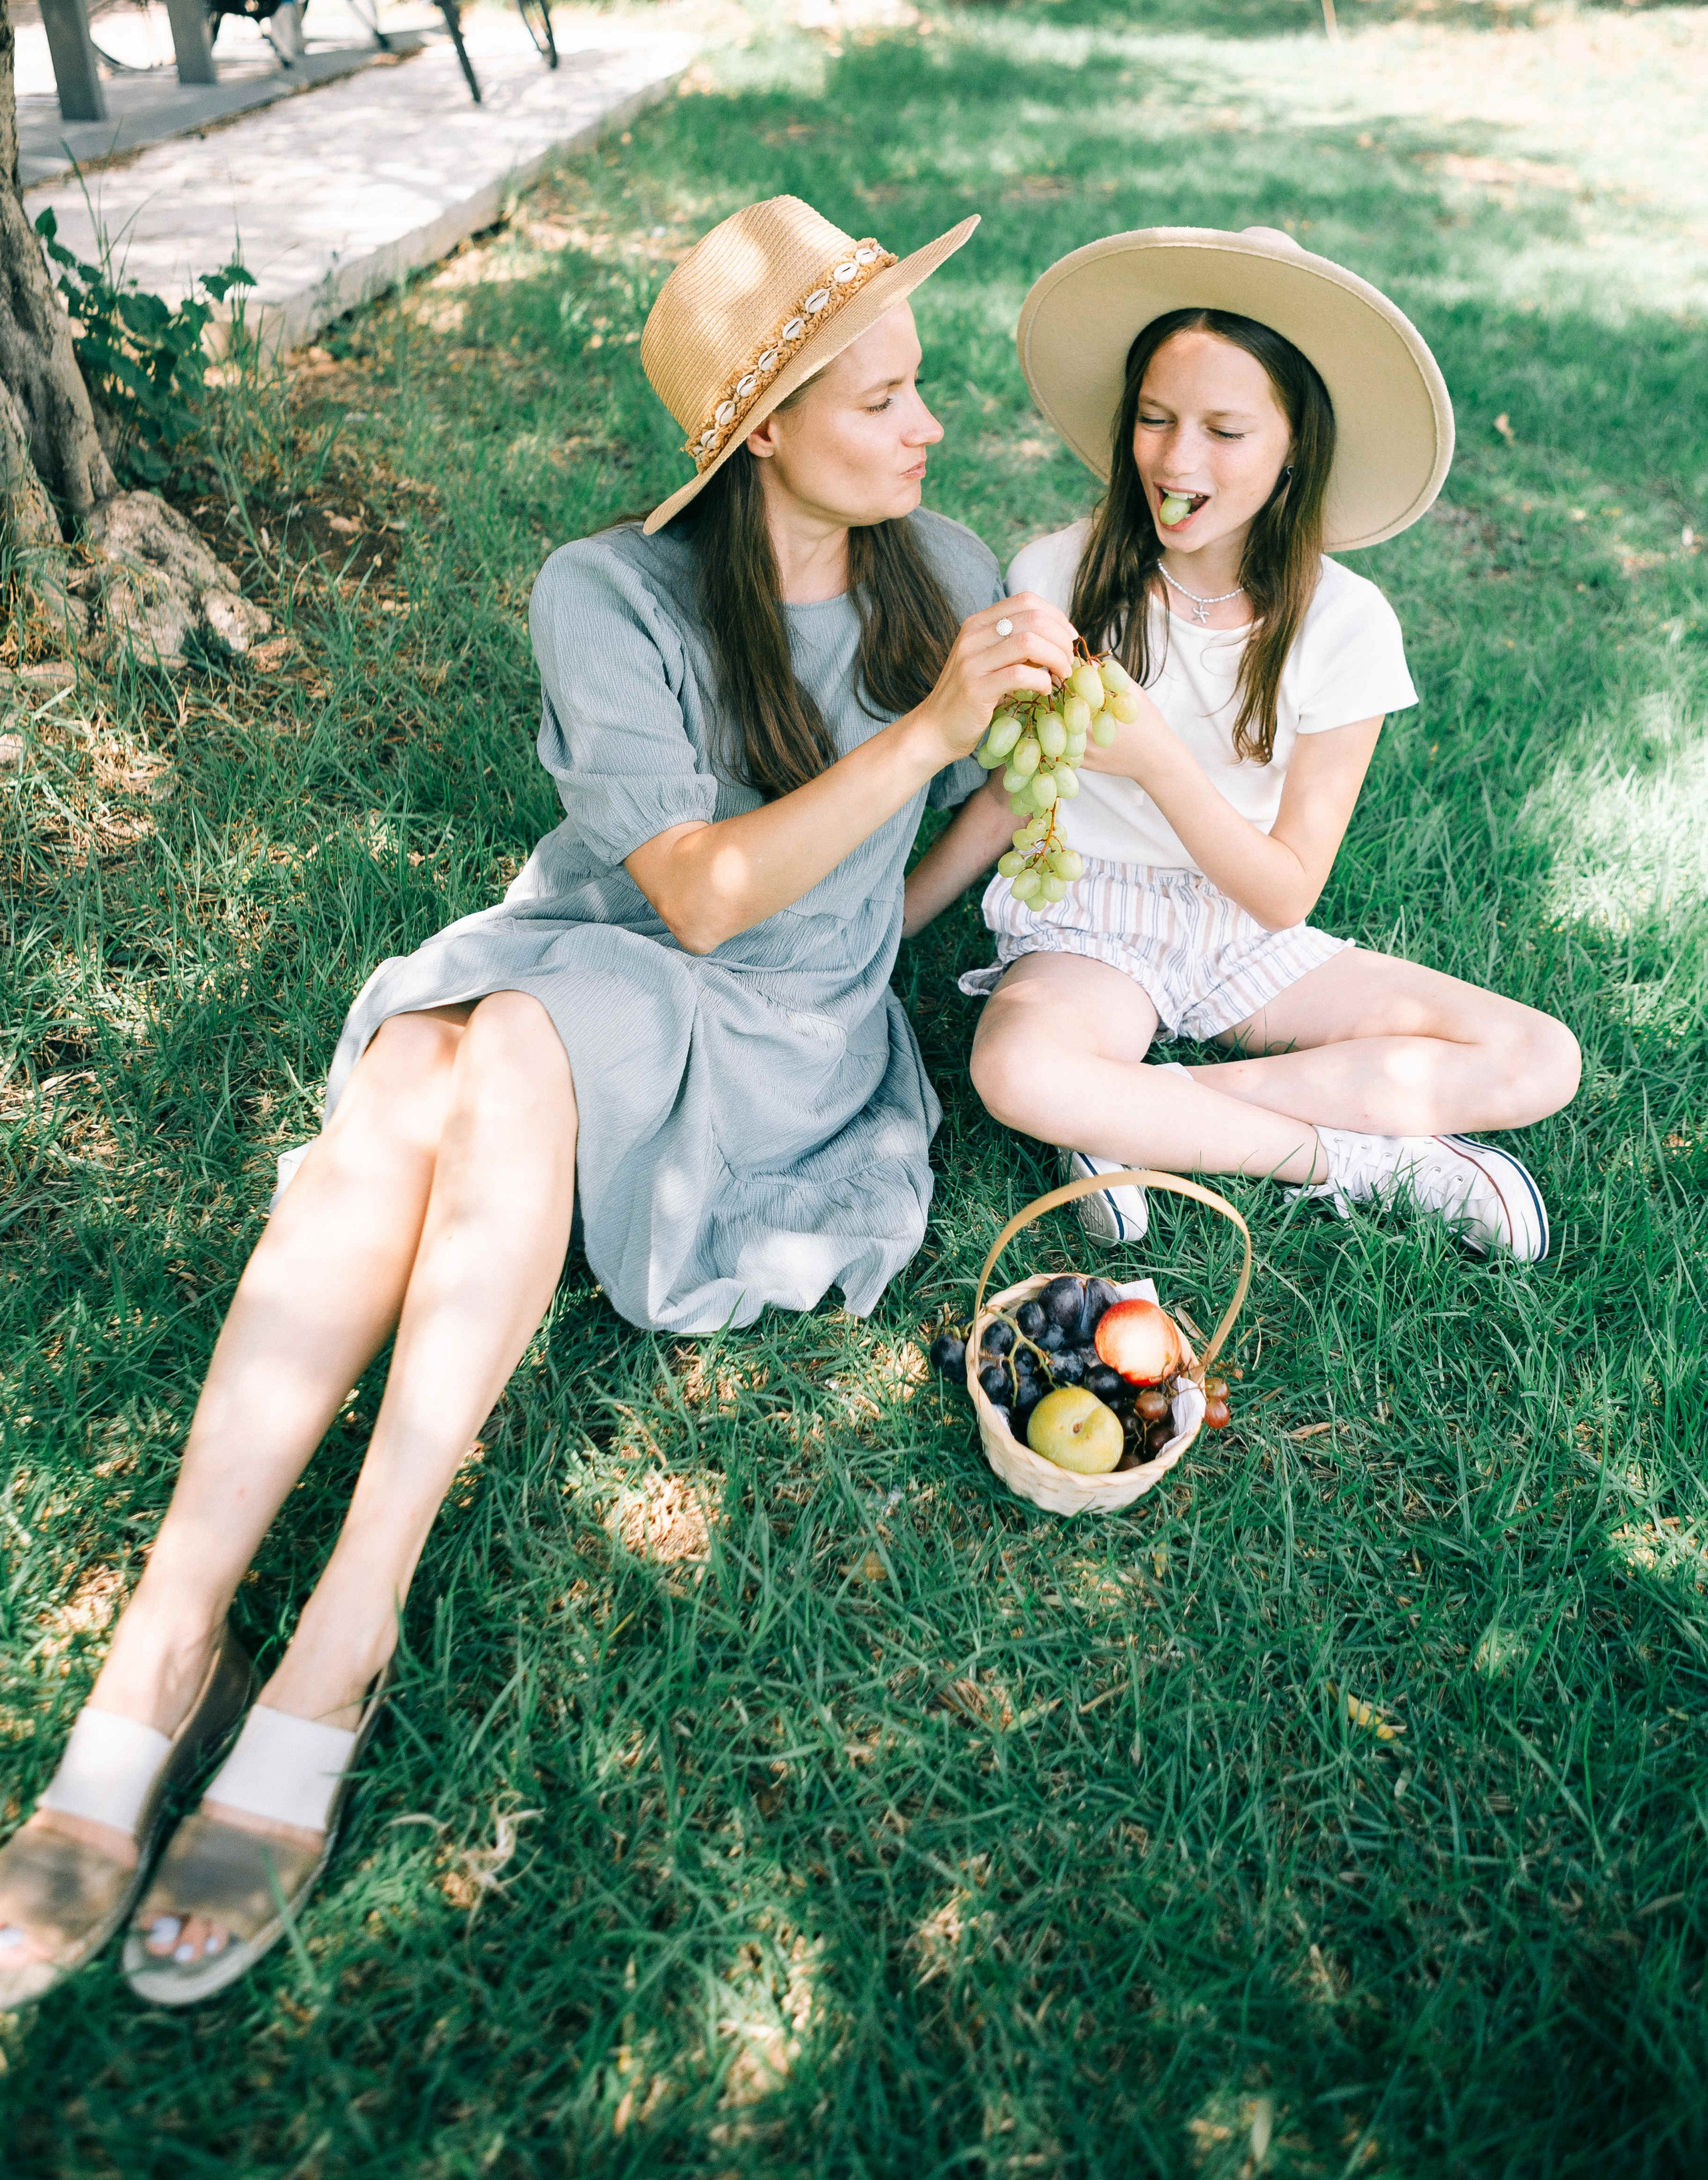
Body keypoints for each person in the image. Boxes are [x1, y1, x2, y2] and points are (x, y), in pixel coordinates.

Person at [0, 194, 1083, 2010]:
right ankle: (168, 1646)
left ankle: (335, 1635)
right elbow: (693, 901)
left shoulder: (946, 567)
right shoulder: (612, 591)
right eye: (881, 397)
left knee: (490, 1047)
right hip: (617, 951)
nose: (927, 426)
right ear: (763, 429)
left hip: (772, 1037)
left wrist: (955, 851)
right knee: (424, 1067)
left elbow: (895, 861)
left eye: (918, 386)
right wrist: (924, 734)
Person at [903, 225, 1580, 1258]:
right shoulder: (1055, 575)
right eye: (1155, 419)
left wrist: (1156, 758)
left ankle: (1129, 1112)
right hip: (1090, 921)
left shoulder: (1346, 625)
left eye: (1226, 431)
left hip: (1246, 927)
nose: (1177, 460)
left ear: (1294, 445)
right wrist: (888, 927)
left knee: (1538, 1057)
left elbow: (1283, 894)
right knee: (1016, 1070)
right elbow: (1011, 793)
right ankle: (1355, 1161)